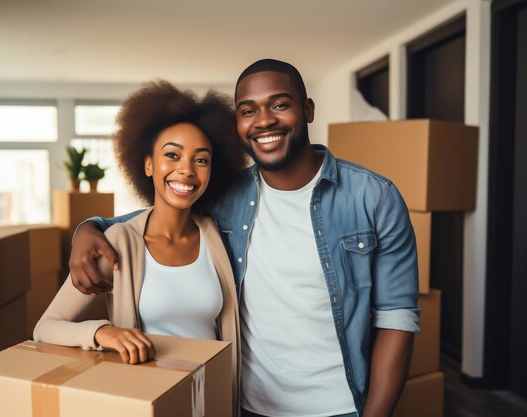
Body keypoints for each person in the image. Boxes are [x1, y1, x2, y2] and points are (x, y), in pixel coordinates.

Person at [68, 60, 420, 417]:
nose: (264, 120)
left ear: (308, 110)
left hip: (342, 406)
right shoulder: (226, 194)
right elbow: (156, 218)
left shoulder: (374, 198)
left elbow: (397, 318)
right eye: (248, 110)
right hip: (245, 405)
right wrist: (91, 227)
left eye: (280, 105)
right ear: (237, 124)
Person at [34, 81, 245, 413]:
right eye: (172, 155)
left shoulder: (218, 238)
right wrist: (104, 332)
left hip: (212, 400)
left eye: (200, 160)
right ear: (148, 165)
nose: (186, 169)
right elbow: (45, 328)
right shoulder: (120, 243)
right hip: (150, 402)